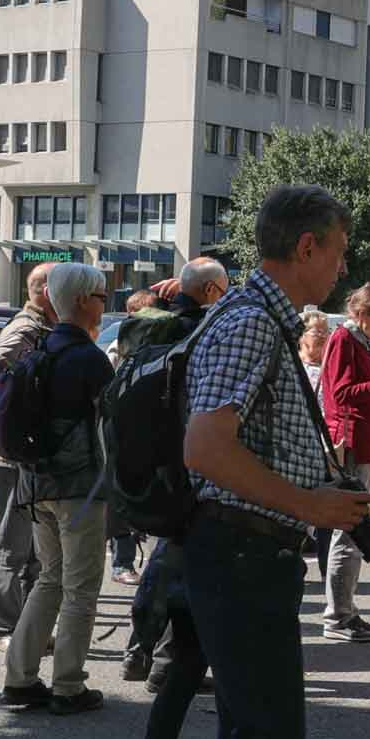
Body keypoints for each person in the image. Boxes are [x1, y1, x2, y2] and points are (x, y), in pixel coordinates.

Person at [63, 183, 370, 739]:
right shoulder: (246, 322)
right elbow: (206, 448)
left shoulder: (262, 321)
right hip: (236, 554)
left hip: (251, 555)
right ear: (305, 247)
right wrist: (311, 502)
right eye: (337, 248)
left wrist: (324, 500)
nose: (342, 265)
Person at [2, 263, 116, 713]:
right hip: (79, 488)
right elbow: (112, 424)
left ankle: (20, 678)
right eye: (102, 297)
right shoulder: (89, 358)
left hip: (35, 485)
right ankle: (69, 684)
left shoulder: (38, 349)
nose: (105, 305)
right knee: (81, 587)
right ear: (84, 301)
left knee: (48, 579)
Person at [120, 260, 232, 686]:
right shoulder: (199, 332)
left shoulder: (149, 325)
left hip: (151, 460)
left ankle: (141, 651)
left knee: (167, 559)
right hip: (189, 460)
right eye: (222, 289)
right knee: (182, 562)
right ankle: (164, 663)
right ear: (209, 291)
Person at [0, 262, 56, 651]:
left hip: (29, 456)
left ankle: (27, 627)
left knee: (35, 550)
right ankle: (4, 628)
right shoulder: (25, 331)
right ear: (46, 293)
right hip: (14, 459)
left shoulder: (41, 328)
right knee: (13, 546)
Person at [316, 284, 370, 643]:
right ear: (362, 313)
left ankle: (346, 611)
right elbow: (342, 393)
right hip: (351, 443)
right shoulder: (344, 340)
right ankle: (337, 617)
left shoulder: (355, 340)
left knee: (353, 532)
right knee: (348, 532)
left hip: (363, 443)